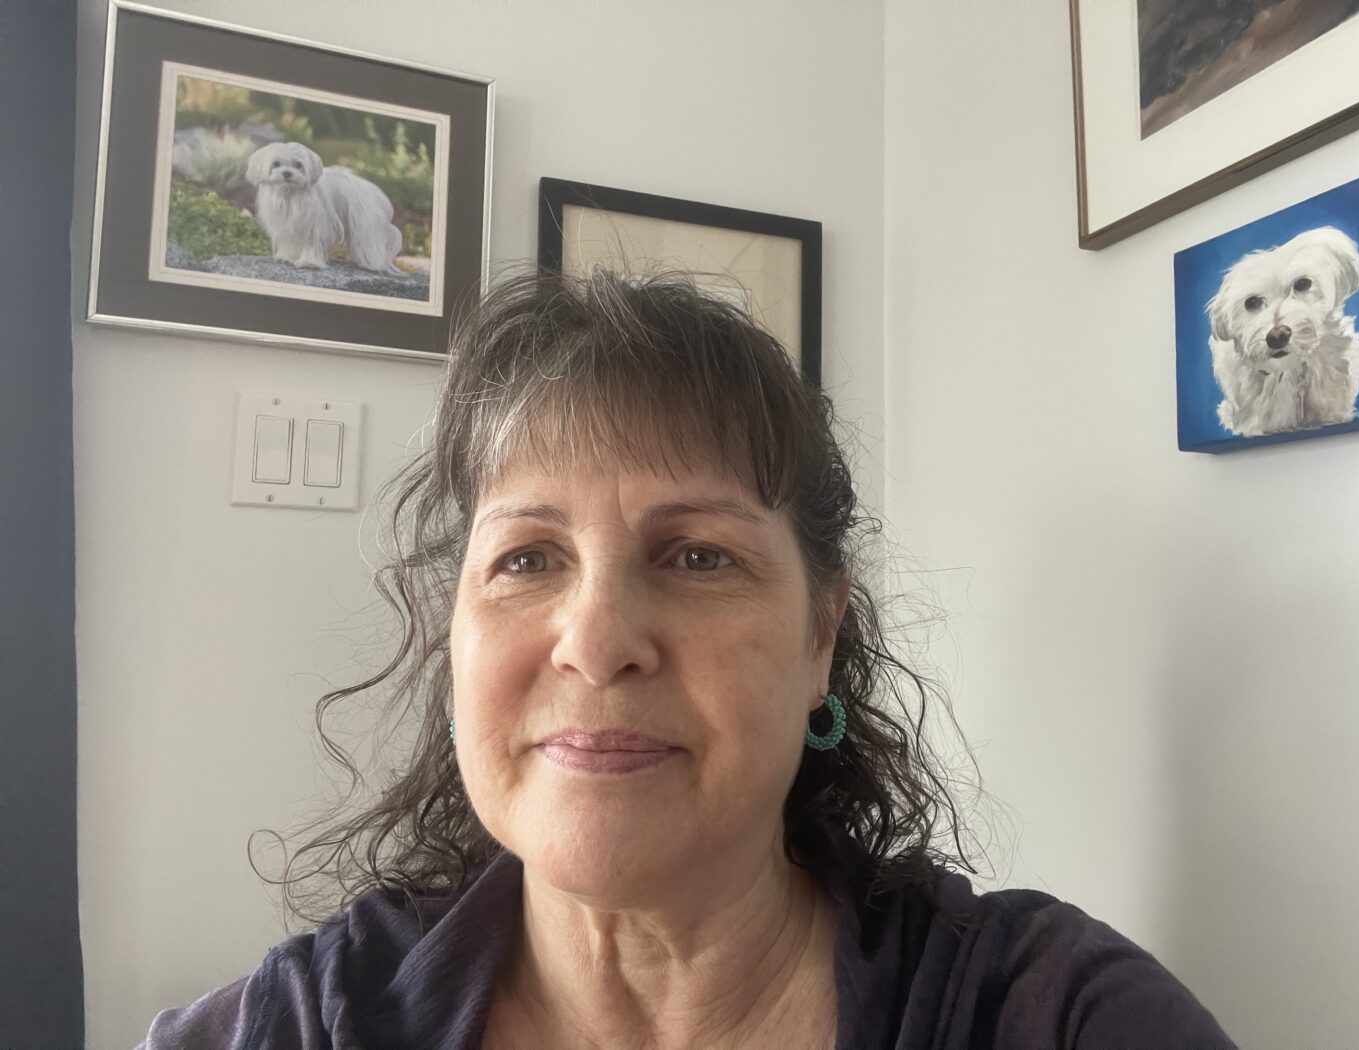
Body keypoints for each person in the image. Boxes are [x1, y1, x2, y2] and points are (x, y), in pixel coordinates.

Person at [138, 270, 1236, 1049]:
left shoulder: (1052, 1016)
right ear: (452, 633)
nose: (596, 641)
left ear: (820, 635)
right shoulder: (302, 1022)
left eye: (699, 555)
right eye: (527, 559)